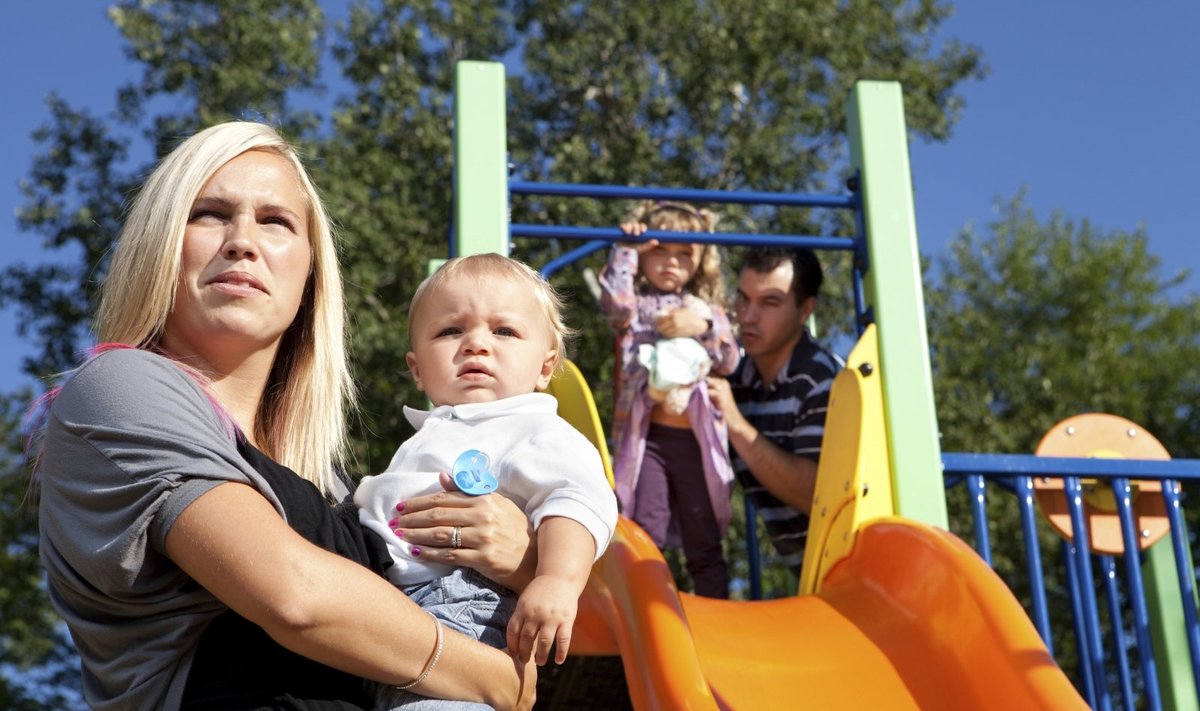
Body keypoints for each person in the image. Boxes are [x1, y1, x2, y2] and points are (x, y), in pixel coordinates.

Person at [31, 121, 536, 710]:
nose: (242, 240)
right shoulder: (117, 389)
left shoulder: (334, 489)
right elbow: (296, 596)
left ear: (309, 274)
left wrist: (523, 559)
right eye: (210, 213)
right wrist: (493, 679)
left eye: (275, 221)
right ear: (160, 245)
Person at [355, 254, 618, 708]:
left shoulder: (534, 426)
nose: (476, 343)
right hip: (387, 613)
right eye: (451, 331)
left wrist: (556, 578)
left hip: (463, 608)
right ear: (417, 369)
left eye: (505, 331)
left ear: (544, 367)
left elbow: (577, 498)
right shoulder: (431, 434)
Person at [599, 200, 740, 599]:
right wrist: (627, 249)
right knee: (647, 527)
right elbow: (615, 305)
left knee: (704, 534)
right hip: (651, 442)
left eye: (684, 254)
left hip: (696, 442)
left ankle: (717, 614)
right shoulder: (637, 309)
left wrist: (704, 325)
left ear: (700, 262)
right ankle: (648, 611)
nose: (671, 262)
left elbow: (729, 358)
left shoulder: (706, 310)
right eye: (660, 251)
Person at [706, 246, 842, 576]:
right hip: (810, 574)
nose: (748, 316)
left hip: (853, 571)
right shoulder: (738, 378)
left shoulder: (822, 380)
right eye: (743, 298)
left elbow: (817, 495)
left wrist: (735, 422)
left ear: (805, 309)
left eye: (770, 302)